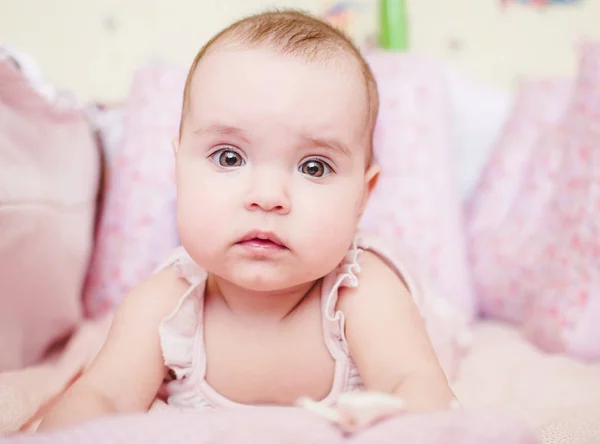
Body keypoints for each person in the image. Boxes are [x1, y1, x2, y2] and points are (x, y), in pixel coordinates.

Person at [39, 9, 456, 433]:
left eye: (314, 167)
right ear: (178, 169)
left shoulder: (362, 293)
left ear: (362, 198)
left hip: (425, 316)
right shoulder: (166, 305)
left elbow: (416, 386)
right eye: (229, 157)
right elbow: (104, 394)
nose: (267, 197)